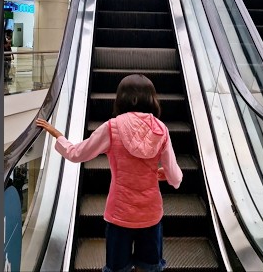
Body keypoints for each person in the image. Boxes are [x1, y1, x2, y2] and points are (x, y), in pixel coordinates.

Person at [36, 74, 183, 272]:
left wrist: (59, 136)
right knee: (149, 268)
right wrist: (166, 174)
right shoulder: (161, 130)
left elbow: (76, 154)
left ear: (121, 98)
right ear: (152, 99)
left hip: (119, 214)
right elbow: (175, 177)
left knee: (117, 269)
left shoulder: (112, 127)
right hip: (150, 214)